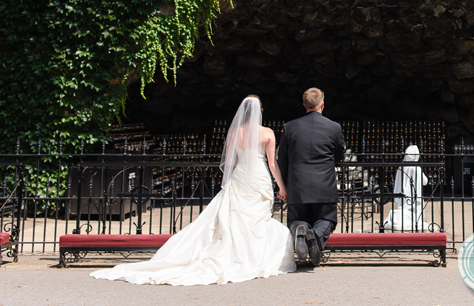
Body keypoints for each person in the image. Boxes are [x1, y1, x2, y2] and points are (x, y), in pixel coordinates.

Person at [91, 95, 294, 285]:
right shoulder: (267, 133)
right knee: (256, 218)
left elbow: (230, 161)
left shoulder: (234, 132)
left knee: (235, 217)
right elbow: (272, 163)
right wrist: (282, 186)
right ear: (260, 111)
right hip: (258, 177)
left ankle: (234, 253)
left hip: (241, 176)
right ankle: (254, 255)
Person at [277, 87, 345, 267]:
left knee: (297, 218)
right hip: (324, 186)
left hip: (297, 186)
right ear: (322, 104)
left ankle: (301, 230)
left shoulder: (289, 127)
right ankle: (314, 235)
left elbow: (281, 158)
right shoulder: (334, 127)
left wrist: (284, 183)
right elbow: (340, 155)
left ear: (304, 105)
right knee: (327, 220)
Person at [382, 144, 431, 232]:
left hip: (403, 197)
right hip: (414, 198)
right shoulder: (417, 168)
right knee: (416, 215)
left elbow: (397, 183)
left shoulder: (401, 168)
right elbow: (425, 182)